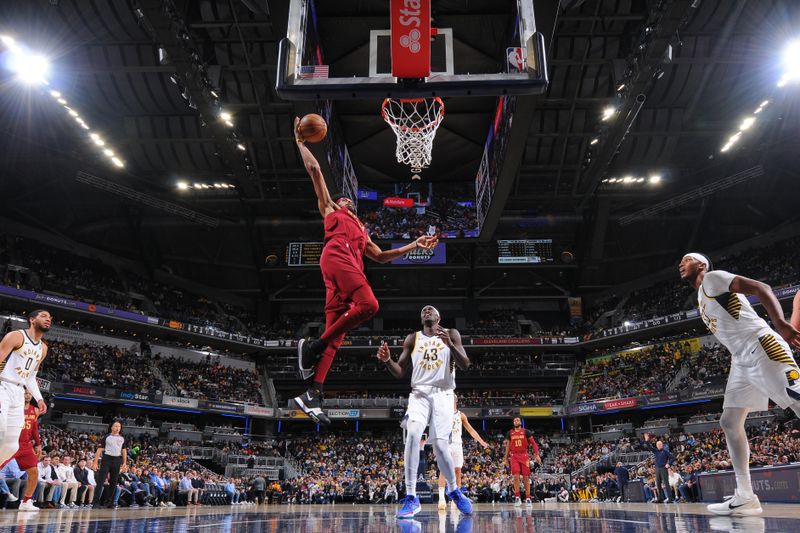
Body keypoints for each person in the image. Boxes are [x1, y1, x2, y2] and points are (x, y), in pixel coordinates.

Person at [293, 125, 438, 425]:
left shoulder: (361, 229)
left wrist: (413, 243)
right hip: (336, 258)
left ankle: (312, 394)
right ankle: (312, 346)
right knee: (370, 305)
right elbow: (315, 171)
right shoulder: (330, 210)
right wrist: (300, 142)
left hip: (343, 275)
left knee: (336, 339)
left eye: (348, 200)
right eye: (343, 199)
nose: (346, 201)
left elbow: (382, 257)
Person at [679, 253, 800, 515]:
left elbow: (761, 288)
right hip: (741, 359)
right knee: (730, 422)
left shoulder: (712, 278)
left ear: (701, 265)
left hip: (761, 344)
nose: (681, 263)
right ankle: (745, 496)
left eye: (687, 259)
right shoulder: (701, 296)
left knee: (798, 400)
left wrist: (780, 323)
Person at [376, 305, 473, 518]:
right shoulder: (413, 338)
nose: (427, 311)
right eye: (424, 311)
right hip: (419, 393)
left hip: (444, 394)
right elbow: (400, 371)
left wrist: (450, 345)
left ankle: (454, 490)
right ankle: (411, 498)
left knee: (439, 445)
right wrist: (387, 361)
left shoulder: (452, 334)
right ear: (422, 319)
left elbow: (465, 364)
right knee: (412, 435)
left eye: (431, 310)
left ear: (439, 317)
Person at [0, 310, 50, 468]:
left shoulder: (43, 348)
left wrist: (39, 398)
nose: (48, 319)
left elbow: (30, 377)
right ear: (32, 320)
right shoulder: (16, 336)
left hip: (19, 393)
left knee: (12, 446)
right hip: (3, 386)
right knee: (0, 431)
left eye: (50, 318)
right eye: (44, 316)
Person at [437, 395, 489, 510]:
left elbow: (470, 430)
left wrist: (481, 441)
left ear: (455, 401)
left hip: (457, 445)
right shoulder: (442, 413)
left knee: (458, 471)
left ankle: (456, 499)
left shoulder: (461, 415)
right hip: (446, 444)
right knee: (443, 471)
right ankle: (441, 499)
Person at [2, 389, 43, 511]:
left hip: (25, 445)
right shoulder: (12, 407)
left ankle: (26, 501)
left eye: (30, 393)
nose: (28, 395)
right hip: (10, 441)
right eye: (26, 392)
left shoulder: (35, 410)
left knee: (34, 472)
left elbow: (35, 428)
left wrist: (38, 444)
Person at [503, 417, 542, 506]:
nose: (516, 421)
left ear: (520, 422)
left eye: (518, 420)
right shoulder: (510, 433)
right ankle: (517, 497)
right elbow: (508, 446)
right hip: (514, 456)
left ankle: (528, 498)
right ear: (513, 423)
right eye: (515, 420)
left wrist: (537, 455)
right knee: (516, 477)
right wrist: (505, 458)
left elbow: (534, 443)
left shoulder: (526, 432)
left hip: (524, 455)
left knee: (526, 477)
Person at [92, 420, 126, 508]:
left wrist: (124, 463)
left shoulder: (122, 438)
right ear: (111, 427)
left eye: (119, 426)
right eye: (115, 426)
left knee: (113, 482)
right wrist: (95, 462)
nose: (117, 428)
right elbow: (99, 450)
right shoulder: (106, 437)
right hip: (106, 459)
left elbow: (124, 450)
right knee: (101, 481)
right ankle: (95, 502)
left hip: (117, 460)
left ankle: (109, 502)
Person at [642, 433, 675, 503]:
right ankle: (660, 498)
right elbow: (649, 447)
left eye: (660, 444)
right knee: (658, 484)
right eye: (658, 444)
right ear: (656, 446)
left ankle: (670, 498)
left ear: (662, 445)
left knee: (666, 483)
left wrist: (669, 464)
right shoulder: (655, 451)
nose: (659, 445)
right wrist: (646, 440)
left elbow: (673, 458)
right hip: (657, 469)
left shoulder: (665, 451)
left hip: (663, 468)